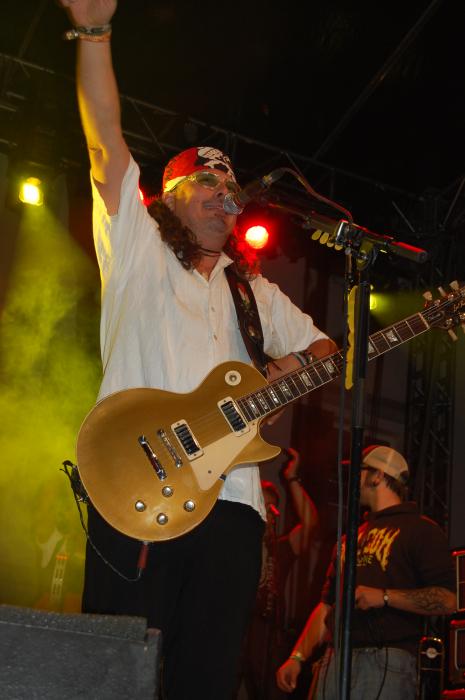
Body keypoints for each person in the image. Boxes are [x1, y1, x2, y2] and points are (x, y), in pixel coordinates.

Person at [58, 2, 337, 698]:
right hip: (137, 484)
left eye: (232, 190)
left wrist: (289, 369)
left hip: (234, 504)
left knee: (205, 679)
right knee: (118, 674)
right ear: (171, 198)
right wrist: (94, 31)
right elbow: (105, 144)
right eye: (207, 185)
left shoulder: (254, 290)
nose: (224, 198)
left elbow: (327, 350)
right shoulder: (139, 250)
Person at [276, 445, 457, 700]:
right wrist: (297, 656)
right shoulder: (348, 538)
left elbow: (448, 600)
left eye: (359, 472)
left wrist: (384, 596)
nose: (353, 480)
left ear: (377, 476)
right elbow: (327, 606)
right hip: (335, 658)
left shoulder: (421, 530)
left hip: (387, 660)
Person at [240, 447, 319, 699]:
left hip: (268, 634)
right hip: (236, 628)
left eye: (273, 507)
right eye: (263, 505)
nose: (270, 513)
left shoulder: (281, 548)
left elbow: (310, 523)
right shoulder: (235, 546)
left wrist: (292, 478)